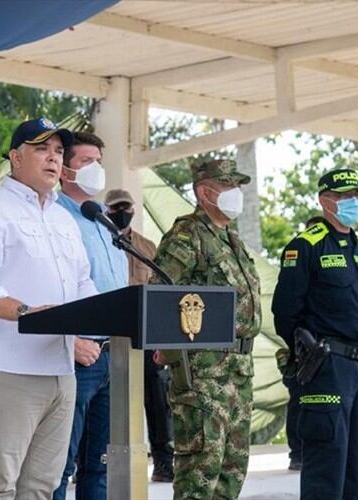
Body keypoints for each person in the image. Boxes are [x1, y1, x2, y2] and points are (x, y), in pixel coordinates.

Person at [0, 117, 97, 499]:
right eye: (41, 149)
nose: (53, 159)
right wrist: (27, 313)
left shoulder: (65, 219)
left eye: (59, 152)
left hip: (61, 368)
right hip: (6, 366)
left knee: (43, 486)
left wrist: (95, 318)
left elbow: (83, 281)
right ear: (15, 157)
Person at [151, 159, 261, 499]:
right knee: (201, 474)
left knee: (231, 472)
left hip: (238, 371)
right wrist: (168, 350)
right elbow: (161, 293)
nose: (235, 194)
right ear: (205, 192)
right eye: (228, 186)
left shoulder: (231, 239)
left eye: (238, 187)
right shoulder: (187, 235)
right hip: (203, 372)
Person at [272, 168, 358, 500]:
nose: (353, 203)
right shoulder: (305, 246)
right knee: (326, 466)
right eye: (345, 197)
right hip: (326, 367)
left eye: (356, 197)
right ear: (325, 201)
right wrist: (308, 353)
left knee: (354, 464)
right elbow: (285, 312)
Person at [50, 132, 126, 500]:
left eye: (100, 161)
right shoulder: (54, 217)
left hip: (113, 356)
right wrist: (72, 339)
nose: (96, 169)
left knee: (101, 463)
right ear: (65, 171)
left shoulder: (102, 222)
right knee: (59, 463)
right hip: (77, 354)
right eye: (86, 162)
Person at [105, 188, 175, 483]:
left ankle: (163, 460)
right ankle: (94, 460)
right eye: (116, 208)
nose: (122, 212)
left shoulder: (146, 246)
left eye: (126, 207)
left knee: (158, 398)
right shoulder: (101, 240)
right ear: (107, 211)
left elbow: (162, 292)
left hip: (146, 333)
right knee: (104, 399)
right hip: (109, 332)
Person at [275, 214, 326, 472]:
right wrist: (297, 343)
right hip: (302, 346)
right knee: (298, 401)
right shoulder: (300, 252)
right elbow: (286, 308)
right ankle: (297, 452)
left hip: (325, 349)